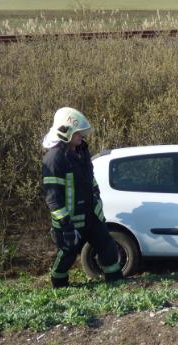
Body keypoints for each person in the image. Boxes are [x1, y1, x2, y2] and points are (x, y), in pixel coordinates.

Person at [41, 107, 123, 288]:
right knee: (68, 253)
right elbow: (53, 198)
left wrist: (96, 196)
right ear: (65, 133)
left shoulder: (82, 151)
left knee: (107, 246)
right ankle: (58, 282)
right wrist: (65, 224)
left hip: (90, 215)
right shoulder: (54, 159)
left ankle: (115, 280)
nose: (82, 137)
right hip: (69, 220)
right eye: (78, 133)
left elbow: (90, 179)